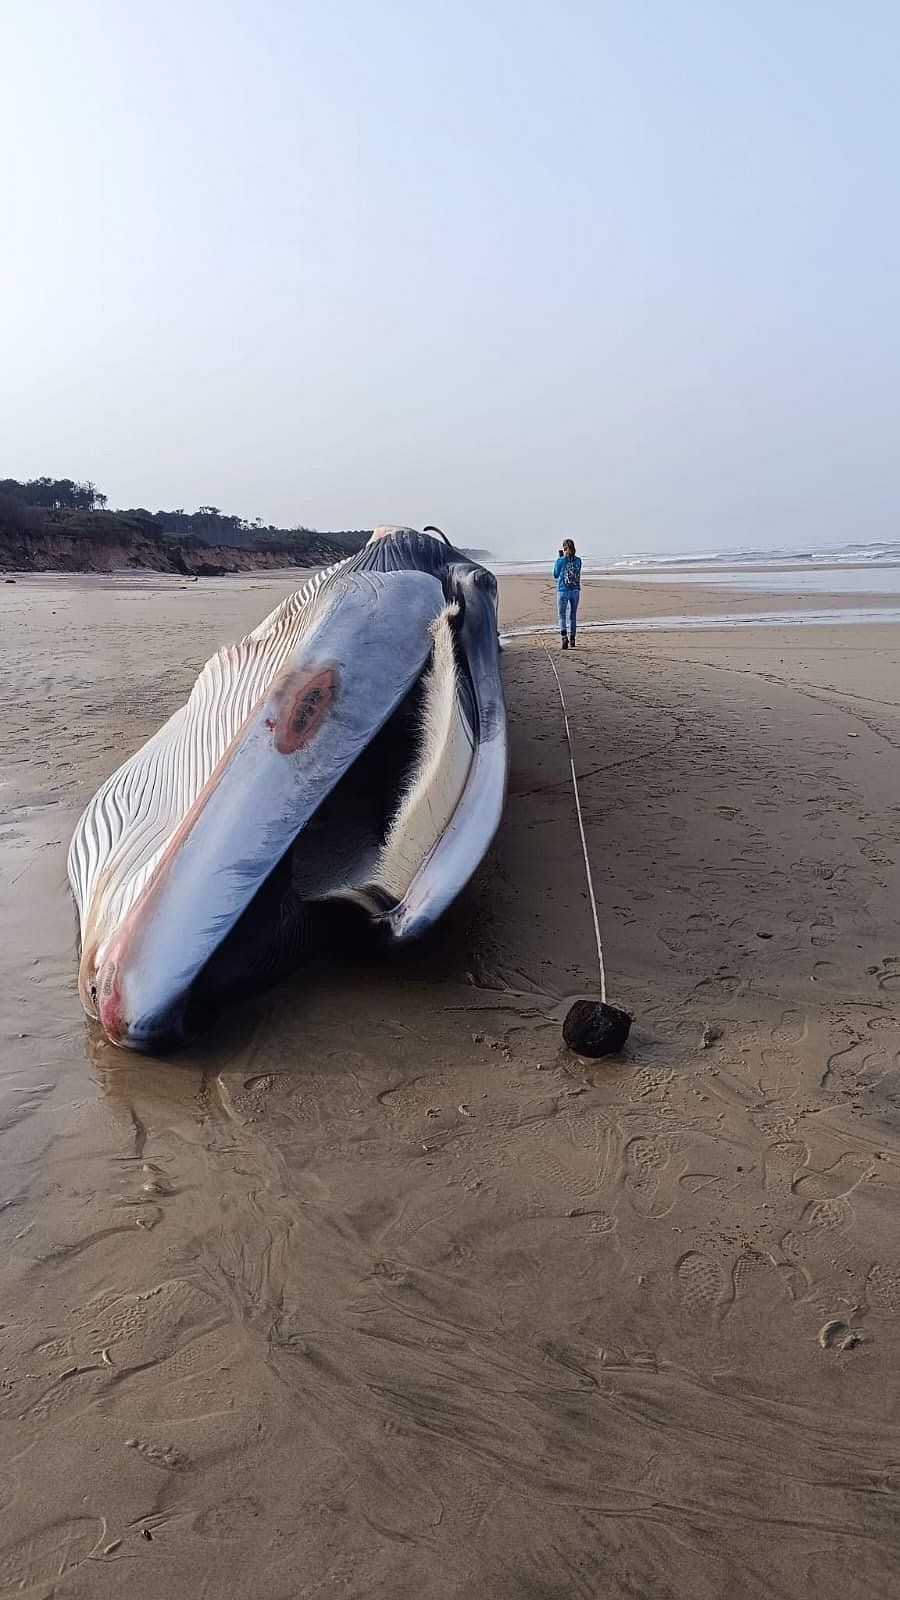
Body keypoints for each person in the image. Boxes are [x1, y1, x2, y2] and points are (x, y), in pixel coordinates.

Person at [553, 538, 582, 649]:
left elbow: (555, 574)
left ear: (564, 548)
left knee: (562, 615)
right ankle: (573, 638)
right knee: (573, 615)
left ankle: (564, 637)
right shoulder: (578, 560)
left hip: (563, 590)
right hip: (575, 590)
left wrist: (560, 558)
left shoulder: (560, 560)